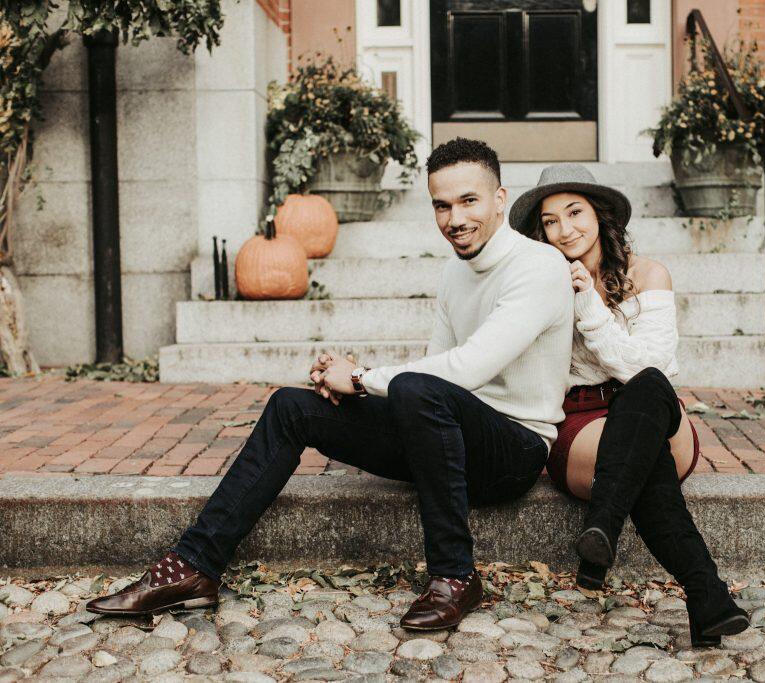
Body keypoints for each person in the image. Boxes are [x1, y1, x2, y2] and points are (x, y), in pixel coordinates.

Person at [87, 138, 575, 631]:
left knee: (414, 390)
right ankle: (193, 567)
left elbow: (466, 369)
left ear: (499, 200)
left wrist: (361, 379)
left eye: (468, 201)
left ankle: (454, 577)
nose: (455, 219)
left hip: (513, 452)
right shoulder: (454, 271)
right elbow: (436, 366)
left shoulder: (538, 266)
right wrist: (355, 385)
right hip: (447, 439)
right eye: (442, 205)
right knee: (291, 407)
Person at [509, 163, 749, 646]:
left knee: (645, 389)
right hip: (581, 426)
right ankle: (709, 597)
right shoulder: (539, 282)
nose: (564, 229)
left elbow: (651, 368)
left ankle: (603, 527)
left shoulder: (649, 274)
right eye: (551, 220)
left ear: (599, 215)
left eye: (574, 212)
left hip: (653, 411)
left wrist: (591, 308)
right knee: (642, 460)